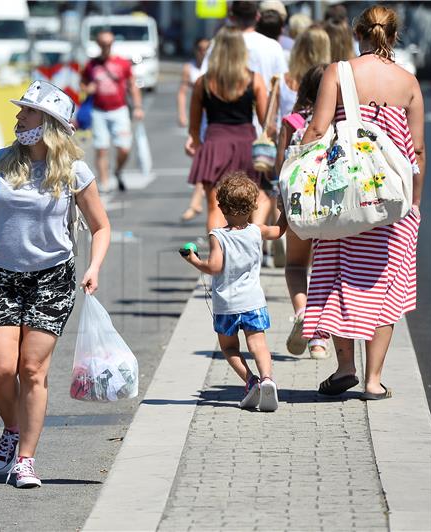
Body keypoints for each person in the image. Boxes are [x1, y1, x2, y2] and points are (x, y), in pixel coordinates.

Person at [0, 81, 111, 488]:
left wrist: (94, 266)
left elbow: (101, 227)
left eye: (27, 112)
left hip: (53, 278)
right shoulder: (0, 161)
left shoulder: (73, 171)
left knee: (32, 369)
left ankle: (26, 460)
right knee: (1, 369)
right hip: (2, 276)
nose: (18, 118)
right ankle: (12, 428)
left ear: (49, 121)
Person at [300, 5, 424, 400]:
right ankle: (373, 381)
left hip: (345, 200)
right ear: (394, 35)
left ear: (358, 34)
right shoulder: (409, 82)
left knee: (339, 278)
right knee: (385, 287)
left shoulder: (339, 72)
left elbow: (318, 129)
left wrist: (297, 175)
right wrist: (415, 204)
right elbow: (417, 150)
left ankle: (345, 367)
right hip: (392, 203)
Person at [180, 172, 287, 411]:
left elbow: (215, 267)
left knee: (229, 348)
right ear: (253, 206)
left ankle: (251, 381)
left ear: (221, 206)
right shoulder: (257, 231)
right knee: (258, 344)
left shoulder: (218, 236)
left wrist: (194, 261)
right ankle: (268, 378)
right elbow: (280, 231)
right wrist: (284, 209)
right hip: (253, 301)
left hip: (227, 304)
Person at [187, 26, 268, 232]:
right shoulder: (253, 79)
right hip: (245, 145)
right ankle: (245, 253)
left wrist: (196, 145)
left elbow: (194, 127)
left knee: (215, 207)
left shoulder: (203, 82)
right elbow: (266, 121)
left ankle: (217, 256)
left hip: (215, 144)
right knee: (246, 206)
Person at [274, 64, 330, 359]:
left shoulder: (292, 121)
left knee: (296, 266)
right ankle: (319, 340)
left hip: (299, 206)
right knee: (327, 270)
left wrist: (280, 207)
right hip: (333, 208)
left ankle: (301, 312)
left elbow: (279, 168)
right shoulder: (340, 121)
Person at [81, 29, 144, 193]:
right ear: (98, 44)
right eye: (102, 44)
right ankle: (104, 182)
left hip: (119, 110)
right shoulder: (91, 65)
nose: (105, 47)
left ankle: (117, 169)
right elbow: (82, 83)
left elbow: (132, 85)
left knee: (124, 148)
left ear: (112, 44)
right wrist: (88, 88)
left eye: (108, 44)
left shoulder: (122, 63)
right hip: (99, 111)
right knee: (101, 148)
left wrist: (137, 107)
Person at [177, 37, 210, 223]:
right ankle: (196, 202)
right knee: (202, 159)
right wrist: (183, 114)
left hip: (213, 117)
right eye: (200, 48)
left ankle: (196, 203)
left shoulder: (214, 65)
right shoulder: (189, 68)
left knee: (203, 160)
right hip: (201, 117)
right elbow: (182, 92)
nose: (203, 51)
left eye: (207, 48)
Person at [278, 26, 331, 119]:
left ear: (298, 48)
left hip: (286, 130)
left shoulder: (282, 79)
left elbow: (271, 122)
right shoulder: (330, 81)